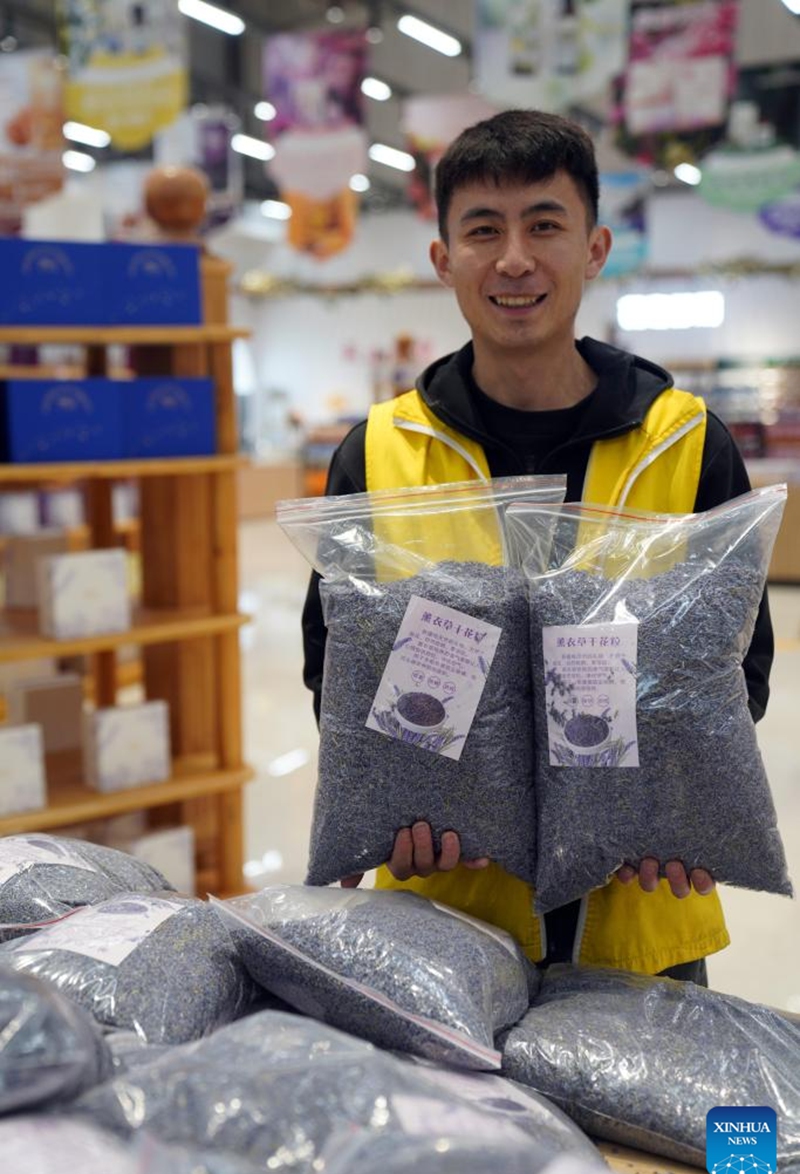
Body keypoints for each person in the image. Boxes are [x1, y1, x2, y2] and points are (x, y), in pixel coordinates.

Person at [301, 109, 774, 985]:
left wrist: (660, 801)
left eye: (544, 225)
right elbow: (334, 668)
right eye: (483, 230)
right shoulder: (376, 451)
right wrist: (405, 793)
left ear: (595, 249)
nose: (514, 258)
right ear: (444, 260)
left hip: (640, 923)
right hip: (445, 923)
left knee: (699, 1132)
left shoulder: (685, 442)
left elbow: (739, 667)